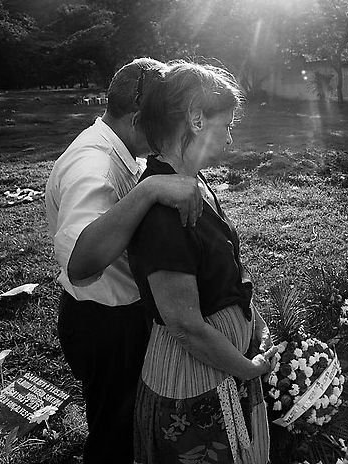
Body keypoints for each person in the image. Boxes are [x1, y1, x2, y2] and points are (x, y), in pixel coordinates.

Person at [45, 58, 204, 464]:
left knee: (125, 423)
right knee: (113, 434)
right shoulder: (92, 165)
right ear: (139, 118)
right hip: (105, 324)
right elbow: (81, 263)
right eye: (162, 120)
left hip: (116, 317)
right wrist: (148, 191)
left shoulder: (119, 149)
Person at [127, 61, 275, 464]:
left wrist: (254, 325)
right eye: (225, 126)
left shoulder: (191, 185)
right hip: (194, 390)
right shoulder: (165, 211)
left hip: (218, 372)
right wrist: (247, 369)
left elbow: (222, 273)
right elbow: (186, 327)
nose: (228, 140)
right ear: (195, 119)